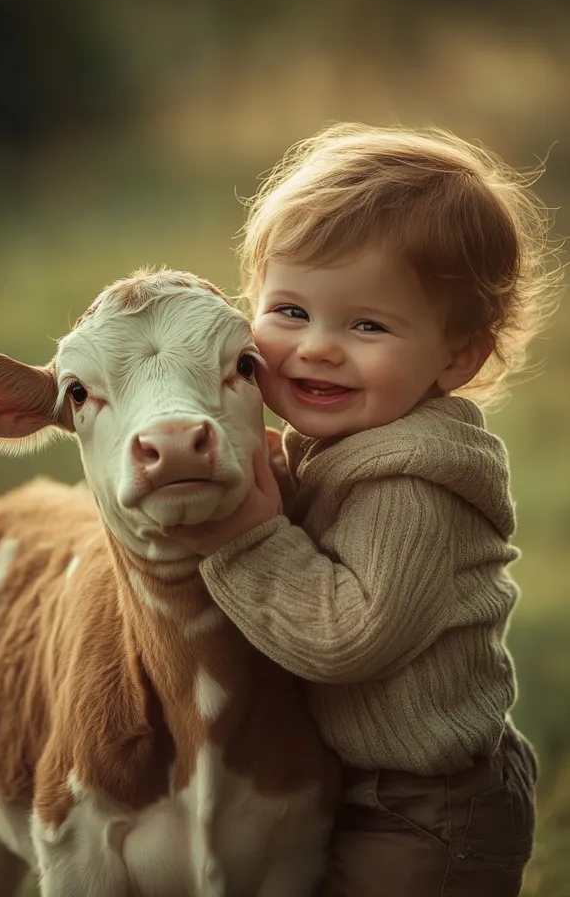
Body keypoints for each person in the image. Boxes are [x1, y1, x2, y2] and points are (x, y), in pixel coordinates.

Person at [189, 123, 560, 895]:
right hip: (359, 786)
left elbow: (346, 637)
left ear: (458, 356)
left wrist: (247, 537)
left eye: (367, 325)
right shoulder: (343, 445)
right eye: (290, 311)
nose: (319, 347)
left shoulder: (409, 484)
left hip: (427, 812)